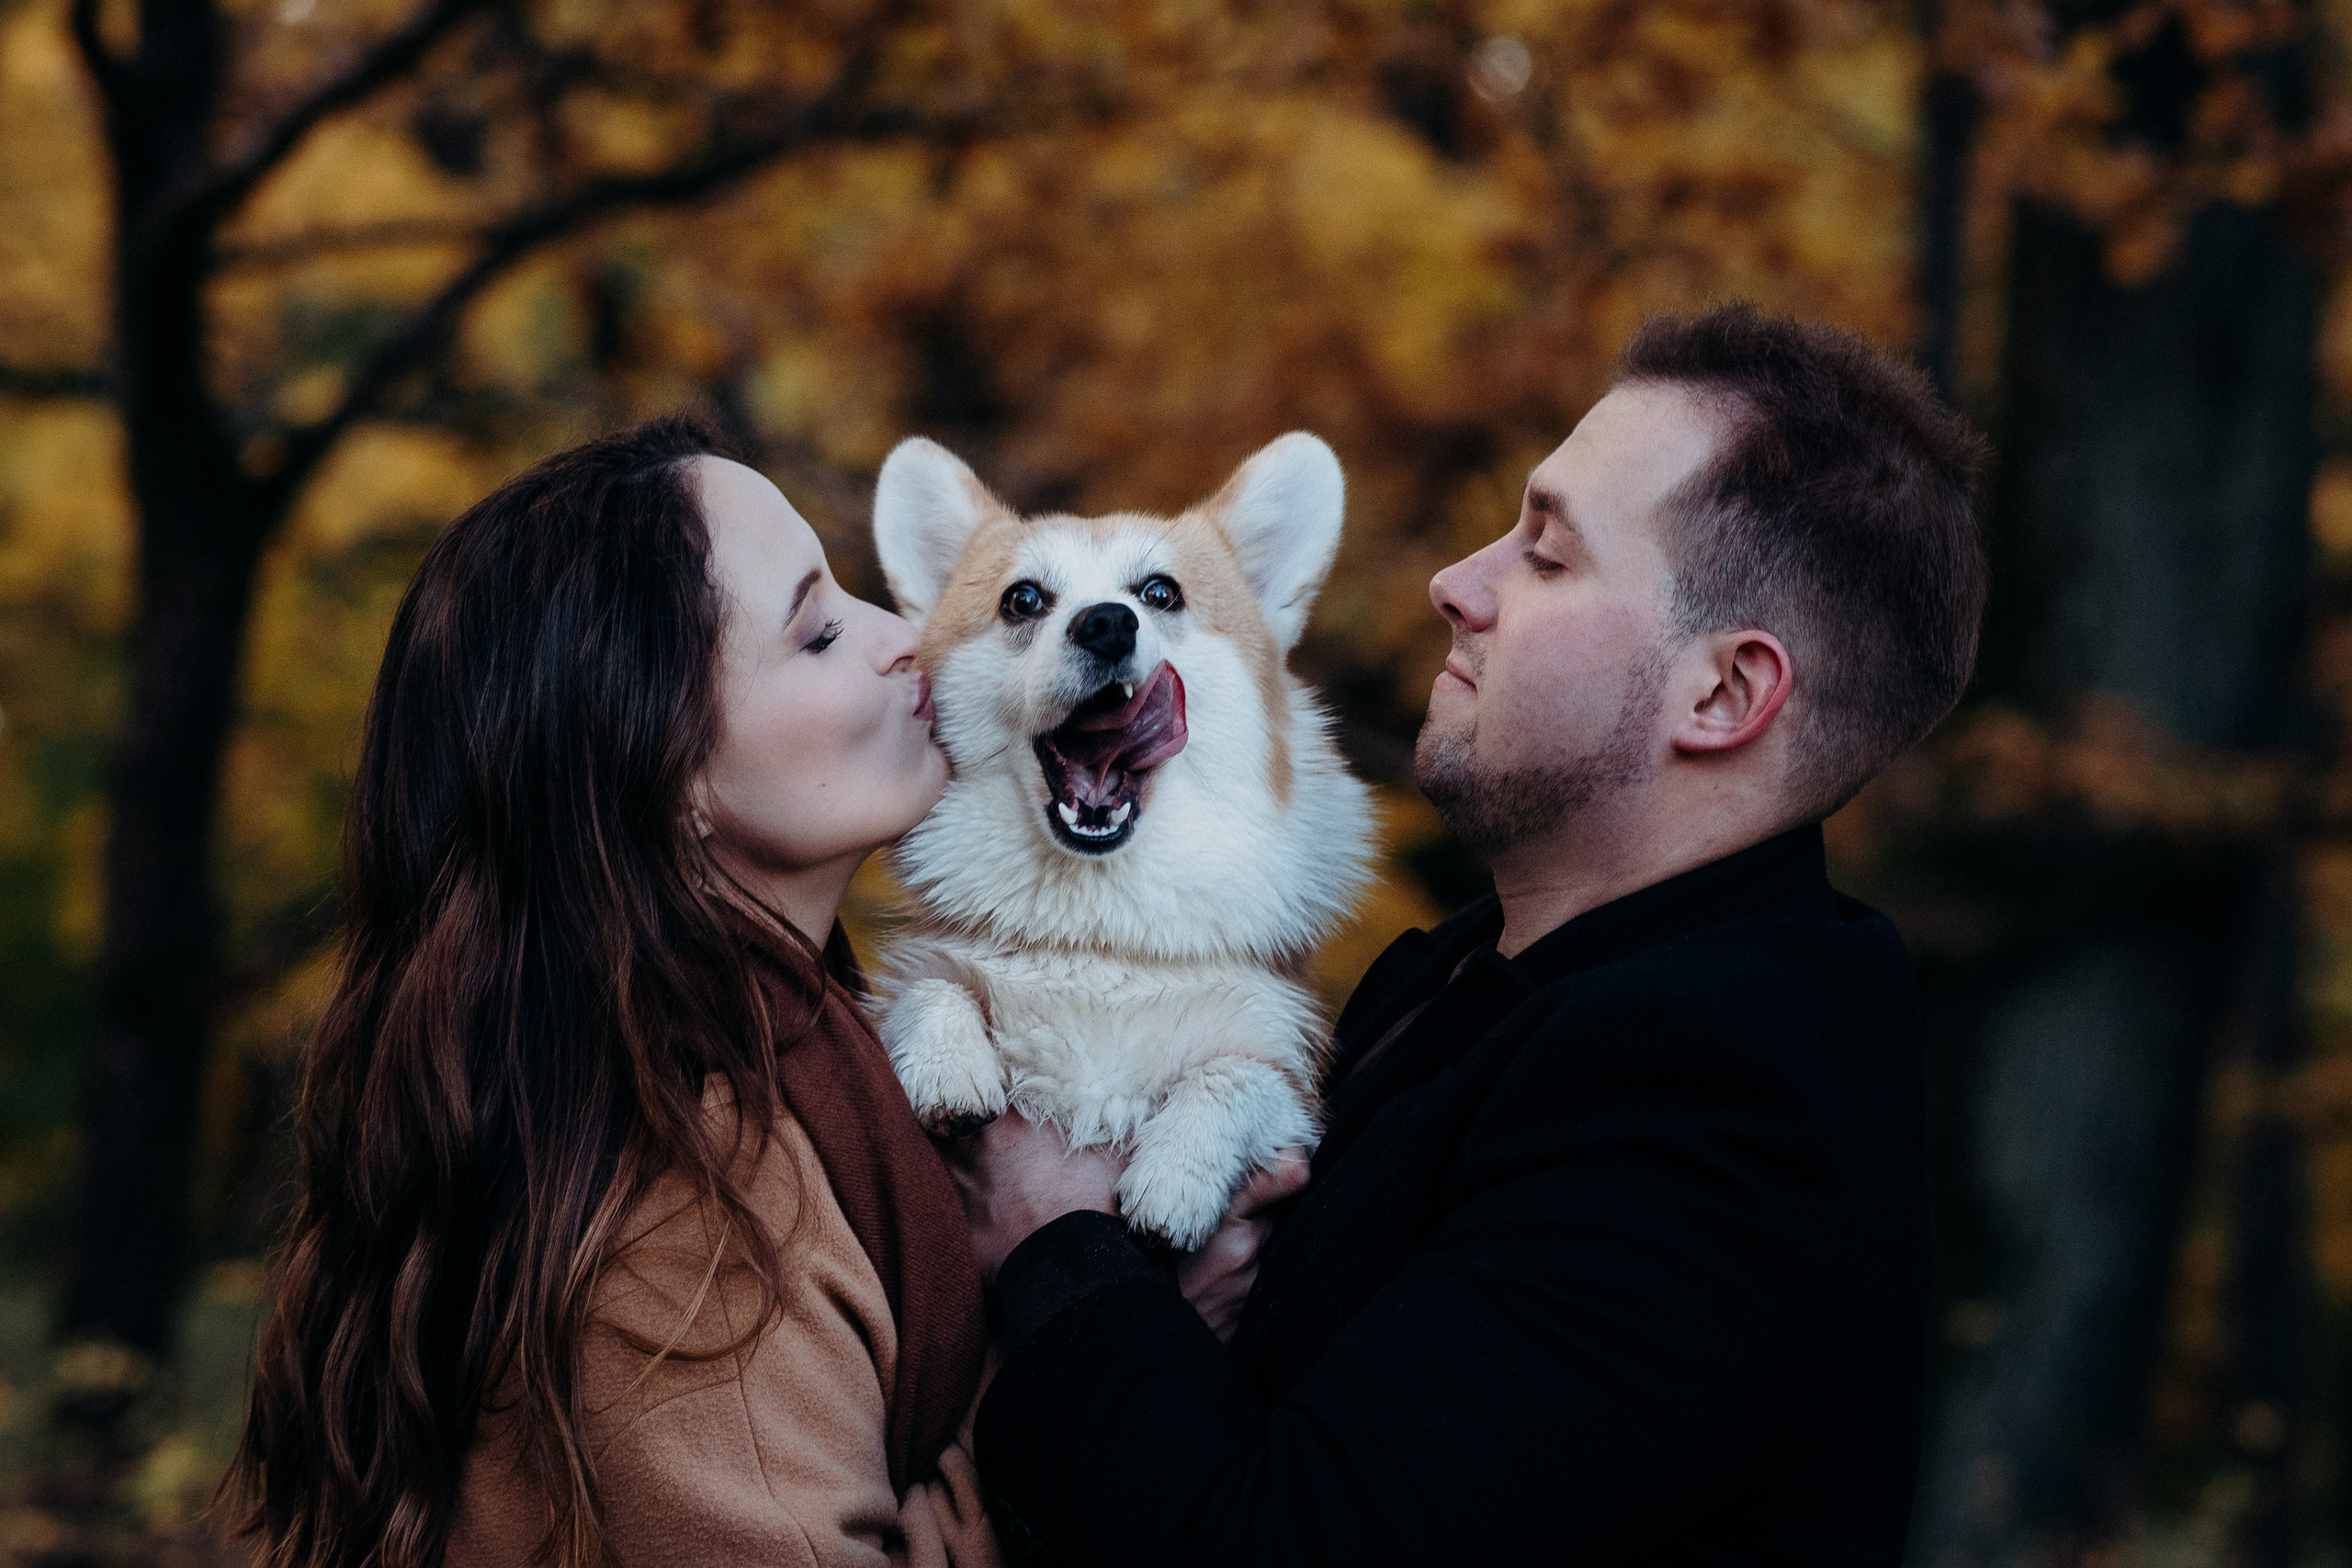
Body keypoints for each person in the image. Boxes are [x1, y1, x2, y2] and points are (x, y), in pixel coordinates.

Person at [952, 304, 1990, 1566]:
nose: (1459, 581)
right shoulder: (1466, 974)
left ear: (1722, 694)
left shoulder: (1723, 1104)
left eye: (1547, 556)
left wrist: (1064, 1249)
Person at [232, 419, 1021, 1568]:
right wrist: (1084, 1344)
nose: (906, 638)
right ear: (667, 772)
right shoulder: (691, 1213)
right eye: (814, 632)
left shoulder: (741, 1074)